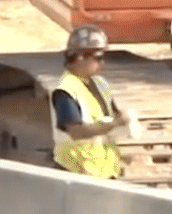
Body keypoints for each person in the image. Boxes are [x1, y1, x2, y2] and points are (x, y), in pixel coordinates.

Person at [51, 25, 132, 179]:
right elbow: (76, 132)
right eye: (98, 58)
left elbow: (112, 114)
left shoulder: (100, 84)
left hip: (102, 171)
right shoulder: (66, 90)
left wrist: (124, 119)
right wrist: (113, 124)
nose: (103, 63)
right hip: (75, 172)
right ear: (80, 56)